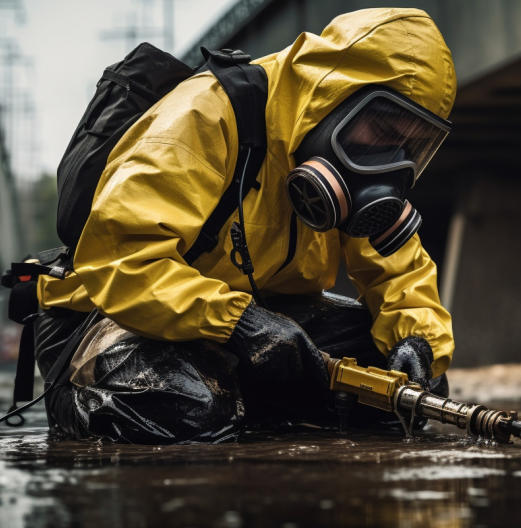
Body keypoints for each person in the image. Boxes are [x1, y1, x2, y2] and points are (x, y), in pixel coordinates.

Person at [32, 7, 457, 443]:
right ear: (334, 96)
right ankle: (77, 402)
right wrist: (241, 323)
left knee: (403, 393)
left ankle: (240, 405)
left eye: (413, 143)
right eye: (384, 129)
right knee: (184, 410)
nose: (391, 157)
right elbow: (121, 258)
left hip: (250, 322)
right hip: (110, 311)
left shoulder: (354, 173)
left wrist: (417, 342)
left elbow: (402, 274)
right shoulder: (207, 114)